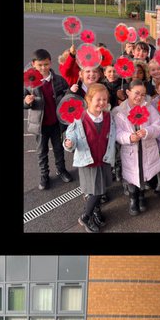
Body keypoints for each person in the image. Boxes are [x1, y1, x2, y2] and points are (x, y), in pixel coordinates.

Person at [63, 80, 115, 233]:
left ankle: (95, 212)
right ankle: (85, 216)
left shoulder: (108, 117)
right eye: (98, 99)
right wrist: (69, 142)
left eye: (104, 99)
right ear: (88, 100)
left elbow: (114, 134)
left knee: (100, 188)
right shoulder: (79, 118)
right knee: (95, 191)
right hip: (89, 161)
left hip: (103, 159)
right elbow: (70, 136)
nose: (102, 103)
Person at [113, 80, 160, 216]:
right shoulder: (119, 111)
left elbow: (157, 127)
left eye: (143, 94)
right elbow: (117, 133)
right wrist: (129, 137)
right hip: (130, 150)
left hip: (146, 148)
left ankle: (141, 196)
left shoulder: (149, 108)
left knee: (143, 174)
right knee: (131, 175)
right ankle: (133, 198)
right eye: (136, 93)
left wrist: (146, 132)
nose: (139, 97)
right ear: (128, 92)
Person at [25, 49, 70, 190]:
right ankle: (44, 175)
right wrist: (26, 102)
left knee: (58, 149)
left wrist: (69, 92)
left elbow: (66, 94)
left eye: (46, 64)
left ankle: (61, 169)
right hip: (40, 125)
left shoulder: (58, 80)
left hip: (56, 123)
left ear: (50, 63)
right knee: (41, 152)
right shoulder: (28, 82)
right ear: (33, 64)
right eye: (40, 65)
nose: (43, 68)